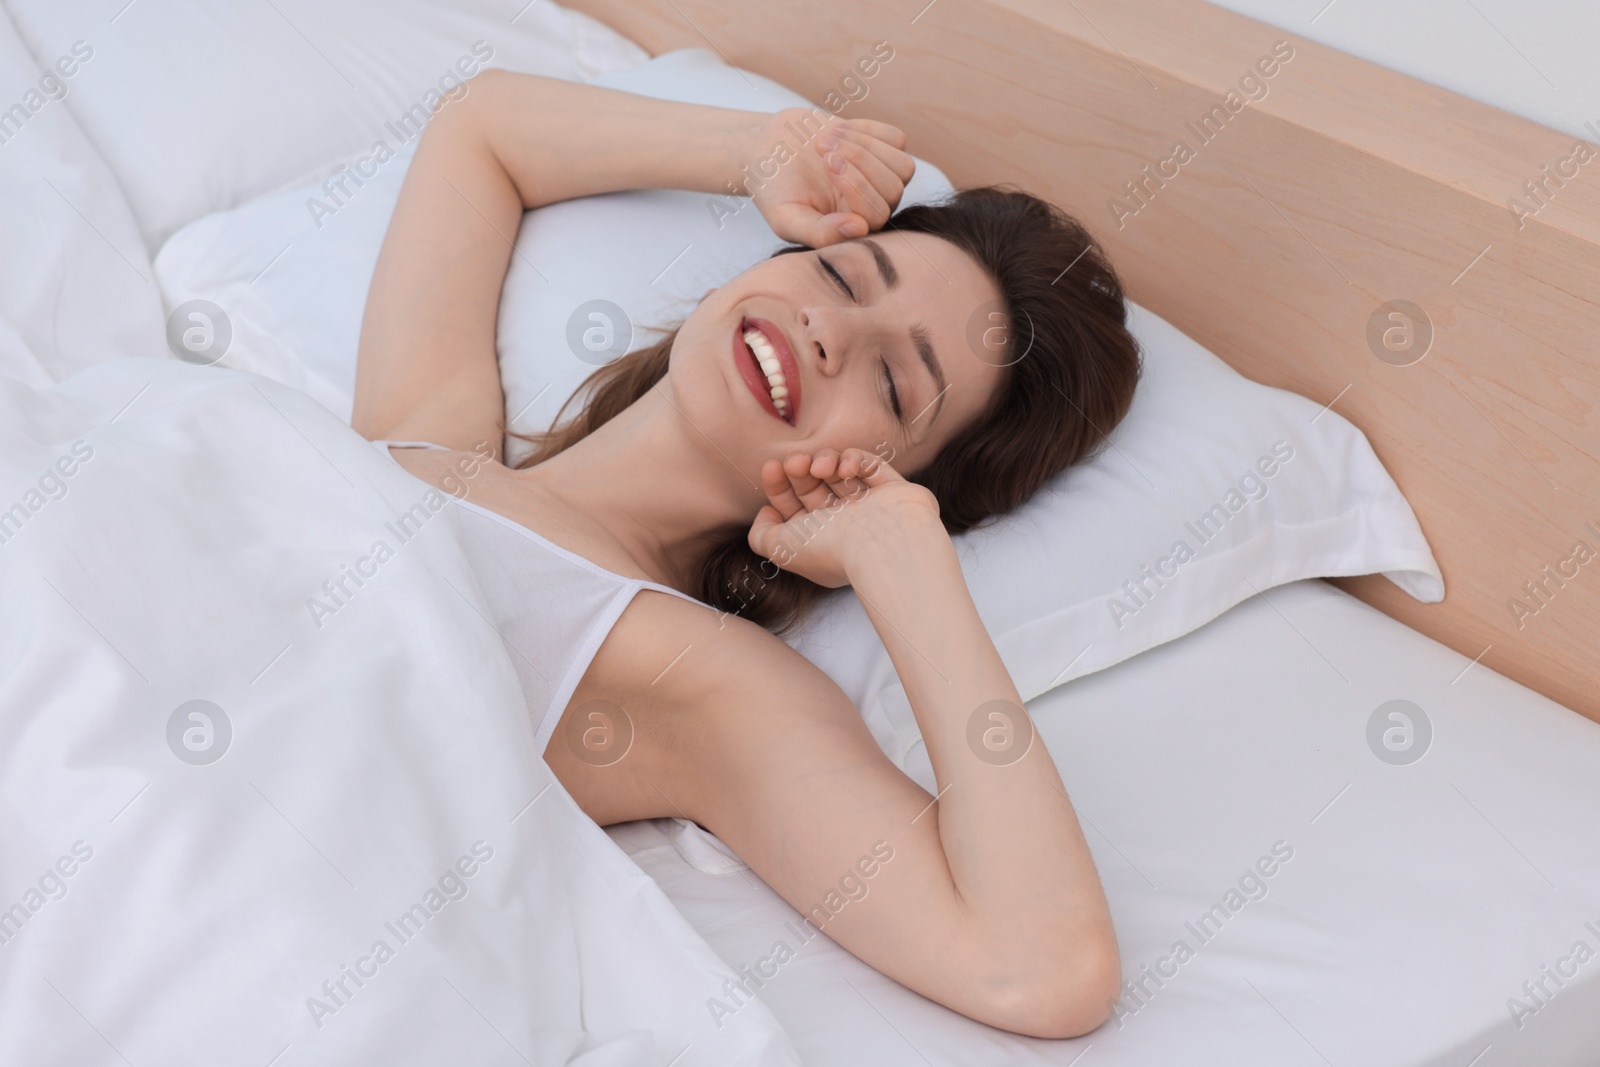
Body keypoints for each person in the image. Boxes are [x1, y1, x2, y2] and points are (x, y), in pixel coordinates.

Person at [351, 69, 1140, 1039]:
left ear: (891, 475)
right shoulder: (423, 435)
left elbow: (1045, 966)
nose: (829, 331)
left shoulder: (702, 681)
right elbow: (482, 128)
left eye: (893, 384)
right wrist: (762, 151)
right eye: (842, 276)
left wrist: (906, 562)